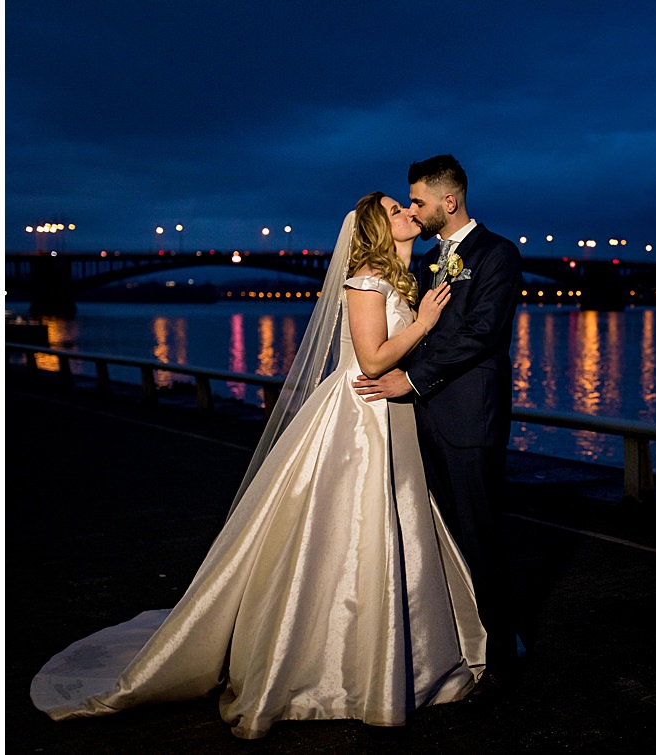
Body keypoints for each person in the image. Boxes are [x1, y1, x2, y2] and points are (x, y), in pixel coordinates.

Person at [30, 191, 485, 738]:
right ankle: (331, 663)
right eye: (395, 210)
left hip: (387, 414)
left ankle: (381, 652)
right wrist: (425, 323)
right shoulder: (366, 278)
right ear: (375, 229)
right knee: (355, 529)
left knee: (388, 528)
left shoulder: (393, 278)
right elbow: (369, 360)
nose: (409, 213)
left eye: (408, 207)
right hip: (362, 416)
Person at [354, 155, 526, 678]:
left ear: (448, 202)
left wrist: (410, 379)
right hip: (418, 421)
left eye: (420, 202)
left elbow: (482, 333)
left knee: (480, 535)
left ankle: (500, 653)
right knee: (436, 536)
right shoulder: (425, 260)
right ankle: (451, 638)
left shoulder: (497, 254)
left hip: (470, 420)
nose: (414, 209)